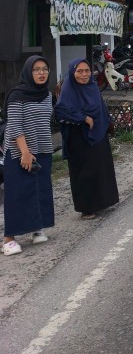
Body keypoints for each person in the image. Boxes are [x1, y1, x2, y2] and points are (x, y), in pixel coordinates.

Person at [2, 56, 55, 256]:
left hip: (42, 149)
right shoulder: (17, 95)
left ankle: (36, 228)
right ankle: (9, 239)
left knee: (39, 190)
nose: (41, 73)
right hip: (19, 152)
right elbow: (14, 124)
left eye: (44, 69)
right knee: (18, 193)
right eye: (36, 70)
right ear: (28, 72)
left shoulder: (47, 95)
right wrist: (25, 151)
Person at [55, 58, 119, 219]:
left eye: (87, 71)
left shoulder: (92, 87)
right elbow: (61, 111)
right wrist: (82, 118)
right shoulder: (69, 89)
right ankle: (87, 208)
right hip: (79, 138)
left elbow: (101, 107)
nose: (84, 75)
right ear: (72, 72)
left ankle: (103, 201)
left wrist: (108, 122)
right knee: (84, 172)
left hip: (98, 134)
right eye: (79, 71)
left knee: (101, 167)